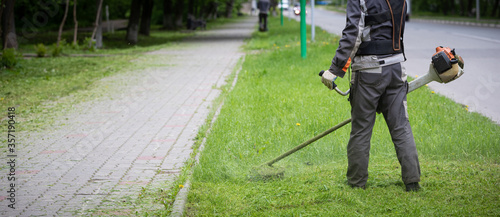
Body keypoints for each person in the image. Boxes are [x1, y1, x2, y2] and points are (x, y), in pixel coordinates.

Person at [321, 0, 421, 192]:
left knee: (361, 128)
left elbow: (353, 33)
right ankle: (412, 182)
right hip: (397, 68)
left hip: (369, 71)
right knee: (401, 126)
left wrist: (334, 69)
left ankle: (356, 183)